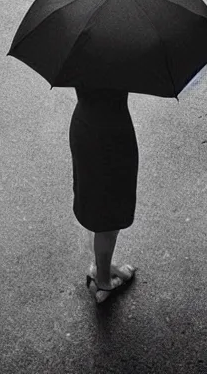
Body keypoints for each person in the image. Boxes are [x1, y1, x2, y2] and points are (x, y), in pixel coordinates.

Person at [70, 87, 139, 302]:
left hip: (84, 126)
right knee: (109, 220)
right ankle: (104, 281)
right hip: (111, 139)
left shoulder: (80, 54)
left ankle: (103, 265)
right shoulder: (122, 56)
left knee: (96, 207)